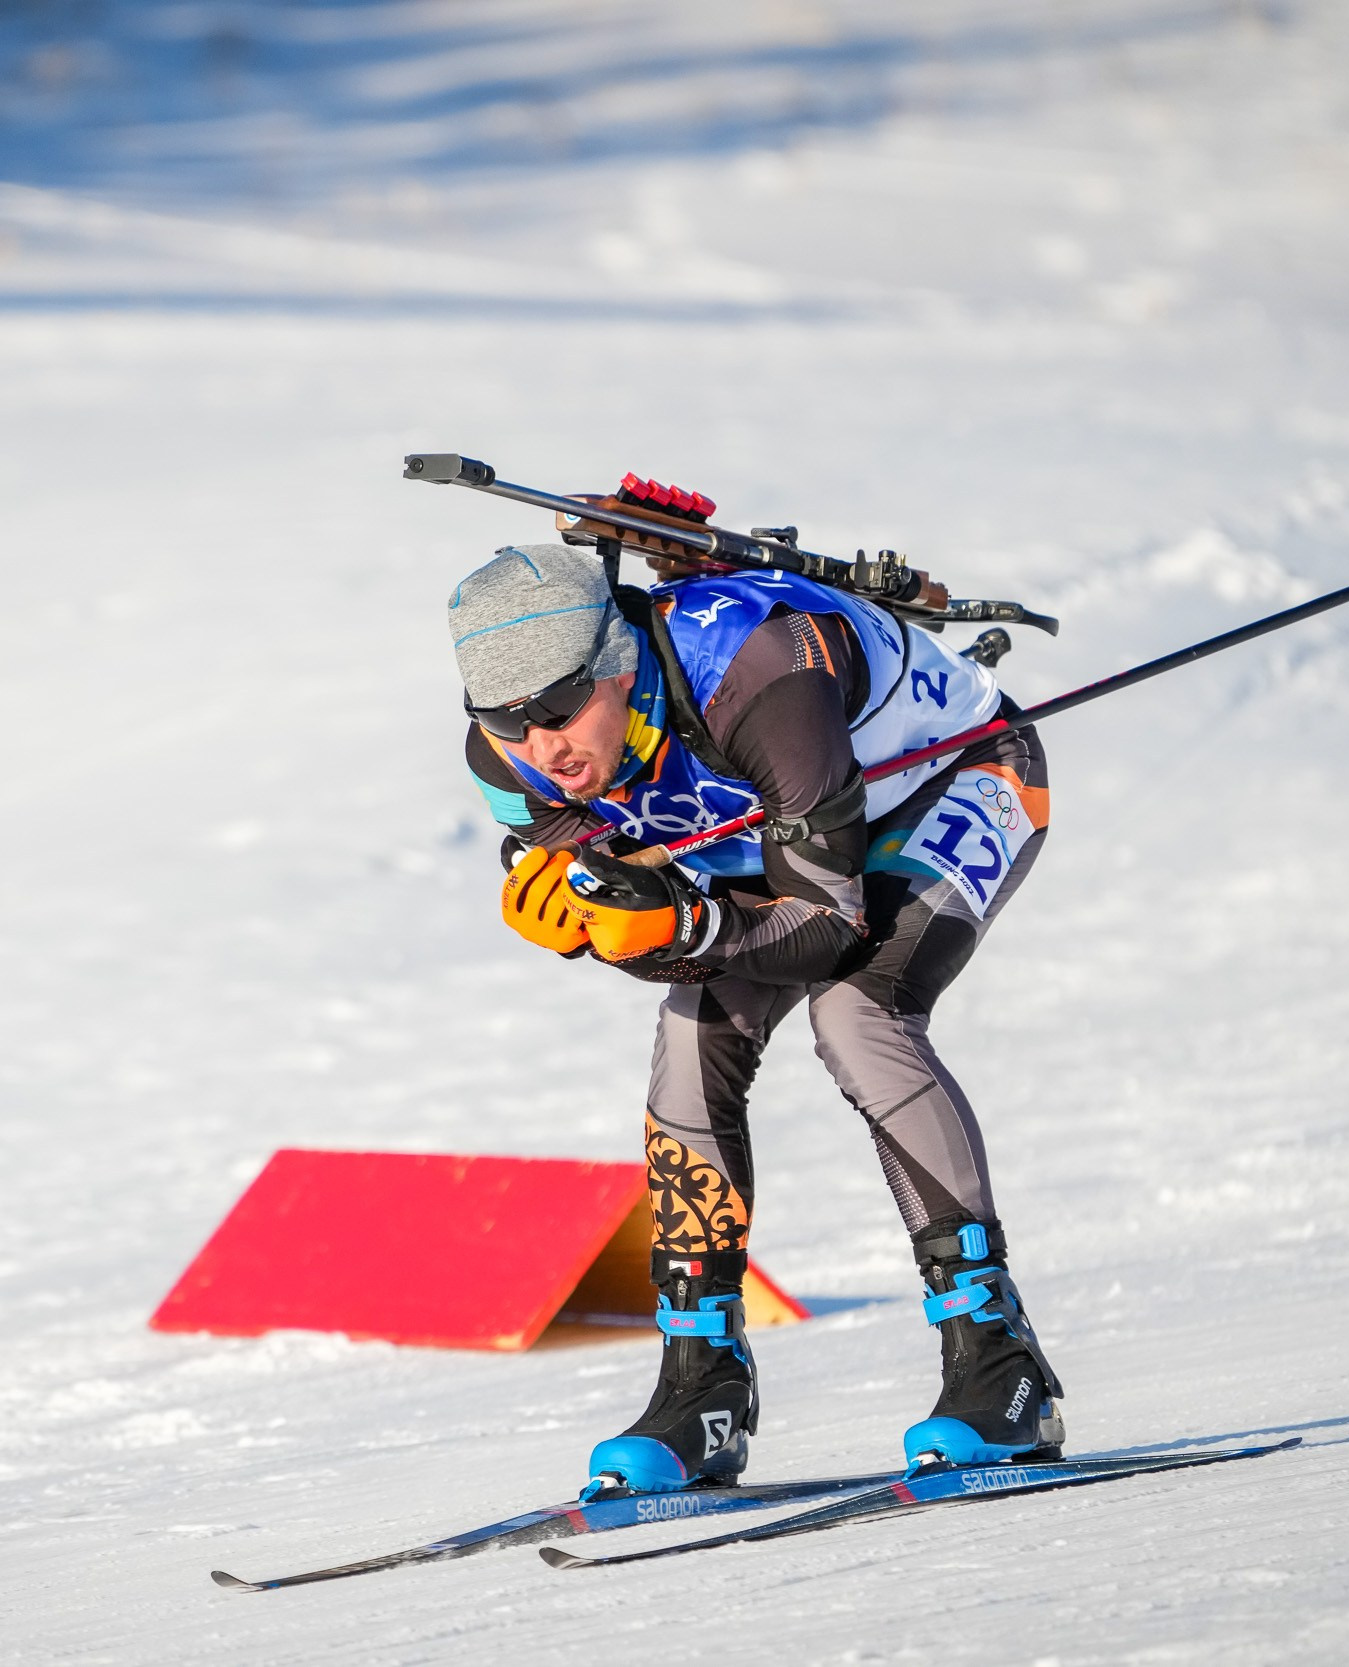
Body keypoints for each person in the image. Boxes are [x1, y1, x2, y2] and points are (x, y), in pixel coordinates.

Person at [448, 537, 1066, 1496]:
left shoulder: (758, 670)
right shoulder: (511, 767)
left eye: (561, 711)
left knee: (861, 1015)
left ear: (617, 661)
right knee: (692, 1041)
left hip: (951, 781)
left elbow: (825, 926)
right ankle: (703, 1390)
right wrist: (593, 926)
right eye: (506, 723)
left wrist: (682, 920)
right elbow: (650, 926)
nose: (542, 750)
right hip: (776, 842)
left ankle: (1000, 1360)